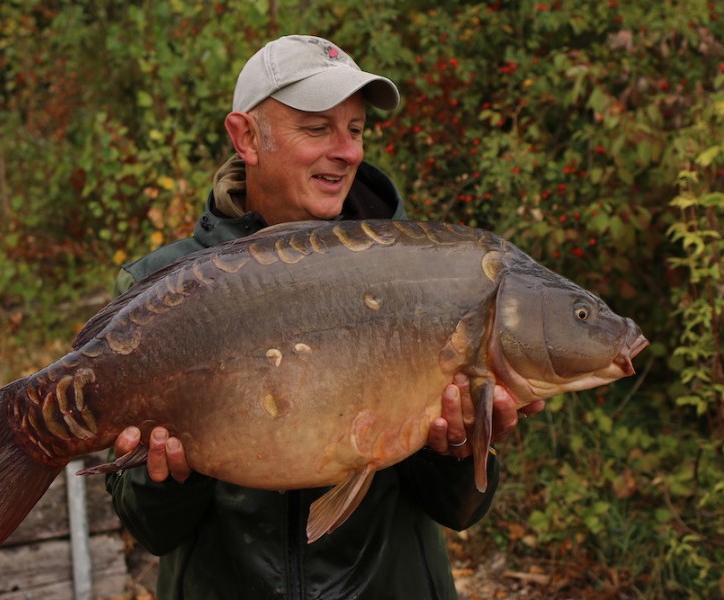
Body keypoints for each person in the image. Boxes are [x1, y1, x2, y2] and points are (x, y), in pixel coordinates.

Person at [106, 34, 544, 599]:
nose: (348, 151)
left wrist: (459, 450)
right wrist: (173, 479)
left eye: (356, 129)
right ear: (246, 137)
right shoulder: (158, 290)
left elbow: (459, 511)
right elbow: (149, 528)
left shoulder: (433, 280)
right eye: (318, 129)